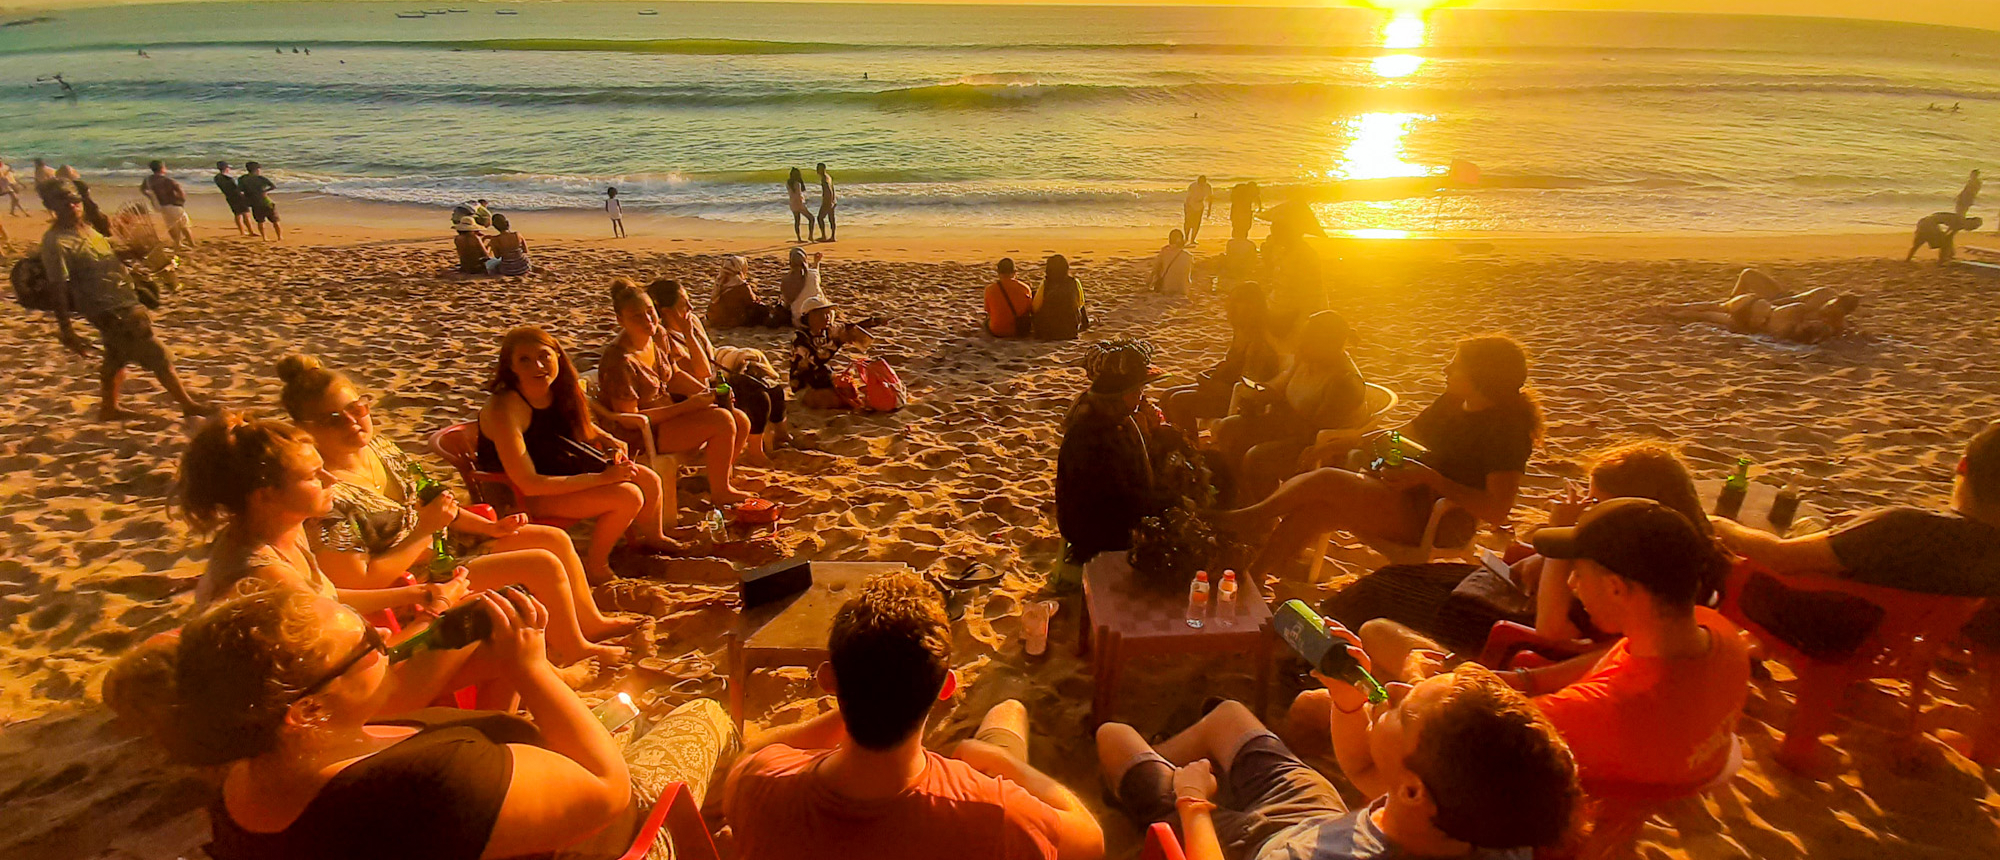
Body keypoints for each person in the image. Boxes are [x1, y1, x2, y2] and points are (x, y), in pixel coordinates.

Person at [102, 581, 734, 860]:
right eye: (364, 647)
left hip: (502, 806)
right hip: (609, 830)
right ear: (307, 710)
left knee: (619, 716)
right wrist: (531, 670)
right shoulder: (425, 784)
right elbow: (608, 792)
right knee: (702, 714)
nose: (383, 636)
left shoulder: (244, 773)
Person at [1351, 499, 1749, 793]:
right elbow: (1613, 658)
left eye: (1578, 573)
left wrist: (1417, 681)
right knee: (1382, 635)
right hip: (1621, 792)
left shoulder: (1596, 712)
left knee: (1324, 705)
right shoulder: (1714, 634)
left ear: (1616, 587)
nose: (1572, 585)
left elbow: (1441, 736)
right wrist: (1524, 680)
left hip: (1504, 816)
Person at [275, 354, 633, 664]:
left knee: (551, 538)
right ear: (304, 429)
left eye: (357, 408)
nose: (354, 422)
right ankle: (575, 648)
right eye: (333, 419)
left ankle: (590, 623)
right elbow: (359, 582)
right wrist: (423, 532)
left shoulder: (379, 449)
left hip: (446, 549)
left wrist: (489, 528)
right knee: (541, 563)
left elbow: (435, 499)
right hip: (418, 582)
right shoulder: (325, 493)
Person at [723, 571, 1104, 860]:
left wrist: (860, 689)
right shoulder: (997, 814)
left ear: (829, 680)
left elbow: (753, 754)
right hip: (971, 781)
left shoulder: (759, 786)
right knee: (1007, 714)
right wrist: (1003, 764)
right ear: (944, 689)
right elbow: (1091, 841)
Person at [1711, 423, 2000, 764]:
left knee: (1724, 554)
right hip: (1895, 641)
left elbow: (1780, 558)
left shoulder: (1904, 528)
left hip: (1822, 627)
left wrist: (1722, 526)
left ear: (1962, 465)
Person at [177, 412, 496, 711]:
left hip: (337, 672)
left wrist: (415, 595)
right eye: (315, 475)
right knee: (498, 623)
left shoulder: (281, 529)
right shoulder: (264, 574)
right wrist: (435, 611)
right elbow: (359, 661)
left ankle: (495, 732)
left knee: (504, 625)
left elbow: (322, 599)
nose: (332, 479)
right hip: (328, 704)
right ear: (265, 496)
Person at [1098, 669, 1578, 860]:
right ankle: (1158, 765)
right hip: (1318, 819)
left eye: (1406, 711)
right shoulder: (1492, 823)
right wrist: (1350, 706)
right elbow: (1366, 772)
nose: (1396, 690)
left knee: (1112, 736)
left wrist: (1193, 801)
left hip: (1239, 846)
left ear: (1413, 790)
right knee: (1227, 717)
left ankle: (1145, 785)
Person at [1225, 335, 1541, 584]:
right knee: (1316, 510)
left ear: (1481, 377)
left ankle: (1248, 518)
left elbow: (1497, 510)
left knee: (1328, 481)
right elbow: (1404, 435)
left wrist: (1431, 479)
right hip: (1408, 497)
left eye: (1455, 366)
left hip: (1441, 520)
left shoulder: (1506, 431)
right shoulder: (1454, 402)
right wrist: (1350, 445)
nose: (1446, 370)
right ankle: (1254, 576)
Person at [478, 326, 677, 579]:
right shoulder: (505, 409)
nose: (538, 366)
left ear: (557, 356)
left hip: (562, 471)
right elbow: (529, 483)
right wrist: (603, 479)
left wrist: (609, 439)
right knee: (628, 496)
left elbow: (578, 426)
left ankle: (653, 539)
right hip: (522, 496)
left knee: (648, 479)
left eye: (544, 356)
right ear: (511, 367)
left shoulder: (556, 390)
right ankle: (596, 566)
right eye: (524, 360)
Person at [39, 180, 211, 421]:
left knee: (115, 356)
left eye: (74, 200)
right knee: (156, 352)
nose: (72, 205)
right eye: (63, 201)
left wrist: (134, 253)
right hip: (106, 307)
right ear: (50, 206)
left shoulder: (87, 230)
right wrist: (66, 329)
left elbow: (108, 255)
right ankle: (188, 404)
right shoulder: (56, 242)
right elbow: (57, 286)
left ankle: (109, 408)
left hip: (122, 297)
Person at [595, 280, 753, 503]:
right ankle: (721, 491)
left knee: (740, 419)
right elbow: (630, 419)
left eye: (650, 312)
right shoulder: (619, 361)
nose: (647, 320)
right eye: (637, 316)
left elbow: (674, 374)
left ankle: (715, 479)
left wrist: (708, 393)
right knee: (722, 421)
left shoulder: (657, 335)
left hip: (668, 416)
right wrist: (688, 406)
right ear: (621, 320)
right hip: (641, 433)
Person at [1211, 311, 1366, 503]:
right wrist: (1258, 397)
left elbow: (1316, 431)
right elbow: (1278, 388)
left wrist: (1276, 407)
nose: (1300, 343)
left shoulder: (1344, 382)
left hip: (1315, 446)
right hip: (1288, 426)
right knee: (1229, 428)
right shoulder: (1307, 360)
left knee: (1257, 457)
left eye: (1307, 338)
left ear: (1329, 343)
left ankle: (1264, 512)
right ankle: (1244, 497)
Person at [649, 276, 789, 466]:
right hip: (691, 393)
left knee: (771, 387)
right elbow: (702, 371)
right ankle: (754, 452)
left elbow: (710, 355)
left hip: (708, 381)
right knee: (756, 396)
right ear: (667, 312)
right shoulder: (666, 337)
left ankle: (781, 435)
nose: (690, 308)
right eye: (684, 305)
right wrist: (688, 335)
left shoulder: (691, 323)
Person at [1056, 341, 1161, 563]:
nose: (1141, 397)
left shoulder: (1112, 418)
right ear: (1120, 395)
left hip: (1106, 516)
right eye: (1137, 392)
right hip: (1100, 532)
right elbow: (1125, 497)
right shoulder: (1095, 435)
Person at [1161, 284, 1286, 434]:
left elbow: (1247, 388)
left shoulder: (1258, 342)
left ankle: (1189, 449)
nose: (1231, 308)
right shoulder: (1241, 331)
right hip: (1224, 388)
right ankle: (1178, 444)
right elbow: (1230, 366)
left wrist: (1209, 382)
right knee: (1166, 396)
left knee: (1178, 401)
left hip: (1237, 399)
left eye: (1237, 303)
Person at [790, 294, 875, 410]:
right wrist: (838, 342)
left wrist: (870, 323)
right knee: (833, 401)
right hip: (805, 386)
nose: (828, 317)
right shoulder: (800, 339)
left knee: (849, 391)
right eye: (823, 314)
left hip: (821, 380)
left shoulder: (826, 331)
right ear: (811, 316)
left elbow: (848, 327)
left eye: (829, 313)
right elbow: (814, 362)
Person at [707, 254, 786, 328]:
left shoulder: (720, 281)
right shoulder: (741, 285)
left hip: (714, 319)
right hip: (730, 321)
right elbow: (752, 302)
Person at [1031, 254, 1089, 341]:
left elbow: (1035, 308)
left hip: (1047, 332)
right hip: (1070, 331)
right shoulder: (1074, 282)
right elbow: (1080, 304)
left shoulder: (1046, 284)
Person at [139, 160, 195, 247]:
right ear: (162, 169)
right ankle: (191, 244)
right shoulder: (167, 180)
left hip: (162, 207)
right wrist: (181, 201)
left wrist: (150, 196)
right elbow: (180, 191)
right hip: (174, 205)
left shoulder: (148, 180)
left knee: (171, 225)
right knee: (184, 226)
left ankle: (178, 243)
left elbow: (142, 189)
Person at [984, 257, 1034, 338]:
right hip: (1019, 330)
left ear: (998, 273)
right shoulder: (1024, 288)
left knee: (986, 322)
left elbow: (987, 310)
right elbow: (1029, 309)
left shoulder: (989, 289)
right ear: (1015, 272)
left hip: (997, 330)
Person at [1906, 211, 1980, 263]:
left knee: (1919, 241)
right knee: (1944, 243)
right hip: (1929, 223)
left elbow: (1948, 234)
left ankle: (1908, 259)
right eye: (1973, 226)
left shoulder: (1958, 219)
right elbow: (1949, 237)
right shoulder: (1960, 222)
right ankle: (1941, 261)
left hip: (1923, 221)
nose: (1971, 229)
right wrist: (1951, 252)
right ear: (1969, 221)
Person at [238, 161, 280, 240]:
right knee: (275, 220)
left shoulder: (242, 179)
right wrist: (265, 191)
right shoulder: (261, 178)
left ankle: (264, 237)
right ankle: (279, 237)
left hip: (254, 203)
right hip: (265, 201)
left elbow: (240, 190)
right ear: (257, 170)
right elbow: (273, 186)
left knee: (260, 221)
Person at [780, 246, 824, 321]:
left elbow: (787, 302)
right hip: (820, 315)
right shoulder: (813, 274)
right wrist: (816, 262)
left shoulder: (786, 280)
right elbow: (813, 275)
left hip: (799, 319)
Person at [213, 161, 254, 236]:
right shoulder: (229, 179)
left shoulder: (217, 178)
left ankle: (242, 231)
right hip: (238, 197)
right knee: (246, 214)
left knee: (237, 214)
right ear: (226, 168)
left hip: (229, 197)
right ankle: (250, 231)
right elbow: (236, 189)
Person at [1149, 229, 1194, 296]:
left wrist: (1148, 284)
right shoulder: (1189, 256)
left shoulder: (1164, 251)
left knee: (1160, 266)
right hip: (1183, 290)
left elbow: (1155, 270)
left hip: (1167, 289)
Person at [1183, 175, 1212, 245]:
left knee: (1197, 223)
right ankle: (1186, 238)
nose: (1201, 184)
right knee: (1188, 222)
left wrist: (1209, 210)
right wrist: (1187, 208)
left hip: (1200, 205)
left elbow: (1210, 198)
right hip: (1190, 204)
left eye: (1202, 182)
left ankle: (1193, 239)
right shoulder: (1193, 186)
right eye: (1200, 182)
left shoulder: (1207, 186)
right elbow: (1188, 198)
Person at [786, 167, 812, 243]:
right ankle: (810, 236)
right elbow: (799, 193)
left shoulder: (788, 183)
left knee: (797, 221)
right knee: (811, 219)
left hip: (792, 203)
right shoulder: (798, 183)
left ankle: (799, 238)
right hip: (799, 203)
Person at [815, 162, 837, 242]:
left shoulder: (824, 178)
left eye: (818, 168)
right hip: (832, 200)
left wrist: (829, 201)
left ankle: (824, 236)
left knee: (820, 218)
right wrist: (833, 200)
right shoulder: (828, 176)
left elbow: (829, 190)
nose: (817, 170)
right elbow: (832, 189)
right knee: (831, 218)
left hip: (828, 201)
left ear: (823, 169)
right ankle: (833, 236)